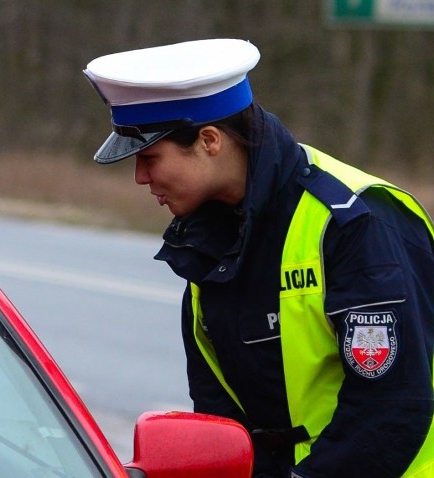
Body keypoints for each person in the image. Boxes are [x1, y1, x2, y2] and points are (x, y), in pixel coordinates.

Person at [84, 39, 434, 477]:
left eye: (151, 158)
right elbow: (219, 415)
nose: (140, 177)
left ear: (209, 141)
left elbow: (393, 408)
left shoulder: (354, 223)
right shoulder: (207, 238)